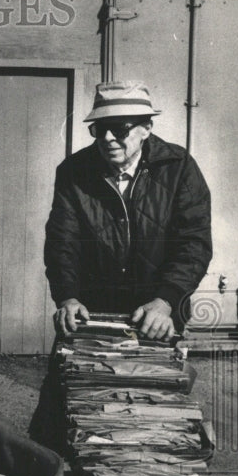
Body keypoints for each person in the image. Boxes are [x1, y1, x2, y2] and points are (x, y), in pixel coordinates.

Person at [44, 81, 212, 340]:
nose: (107, 139)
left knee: (154, 378)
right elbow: (62, 242)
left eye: (119, 129)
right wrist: (68, 297)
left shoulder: (179, 168)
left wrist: (166, 300)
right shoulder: (74, 171)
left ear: (146, 128)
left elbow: (194, 244)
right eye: (99, 130)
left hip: (157, 316)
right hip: (91, 315)